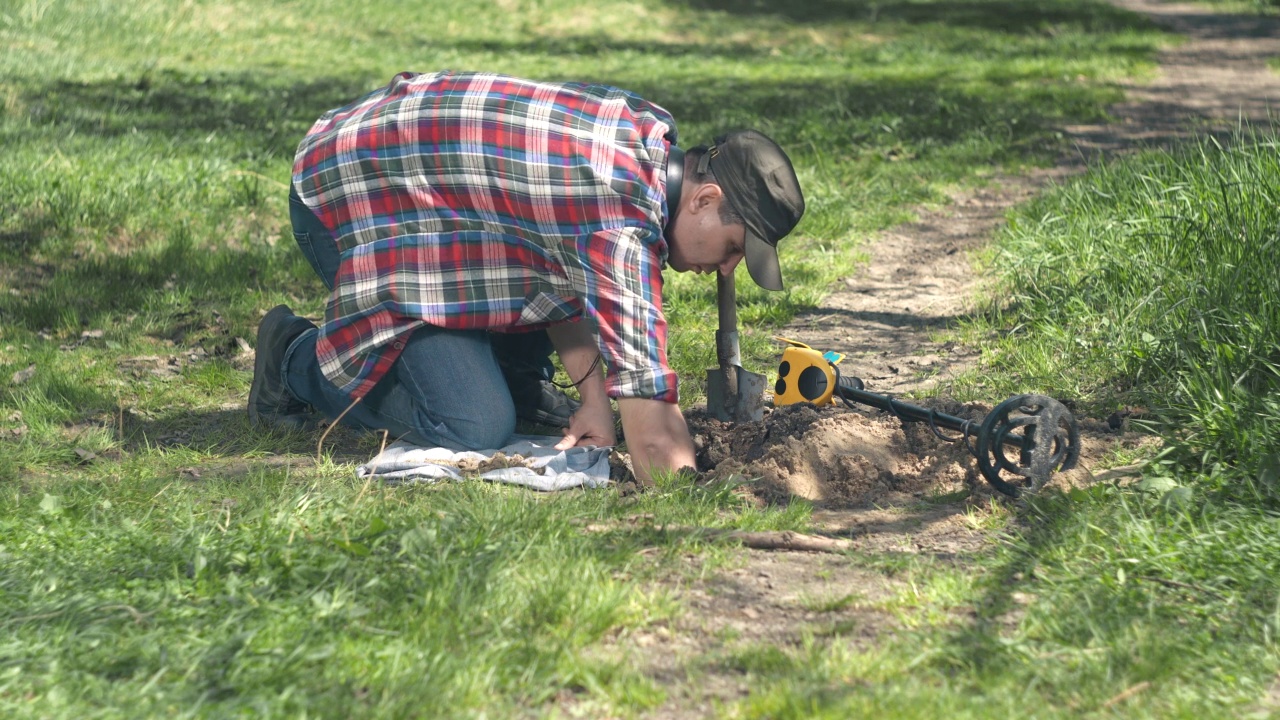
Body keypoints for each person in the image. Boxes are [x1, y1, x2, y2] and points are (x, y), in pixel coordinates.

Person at [248, 70, 804, 485]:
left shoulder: (646, 140)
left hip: (429, 201)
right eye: (734, 248)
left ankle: (505, 375)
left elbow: (560, 265)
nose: (727, 269)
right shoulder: (620, 216)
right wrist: (688, 488)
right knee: (473, 426)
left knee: (508, 402)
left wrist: (592, 398)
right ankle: (293, 359)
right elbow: (650, 412)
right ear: (705, 198)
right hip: (351, 193)